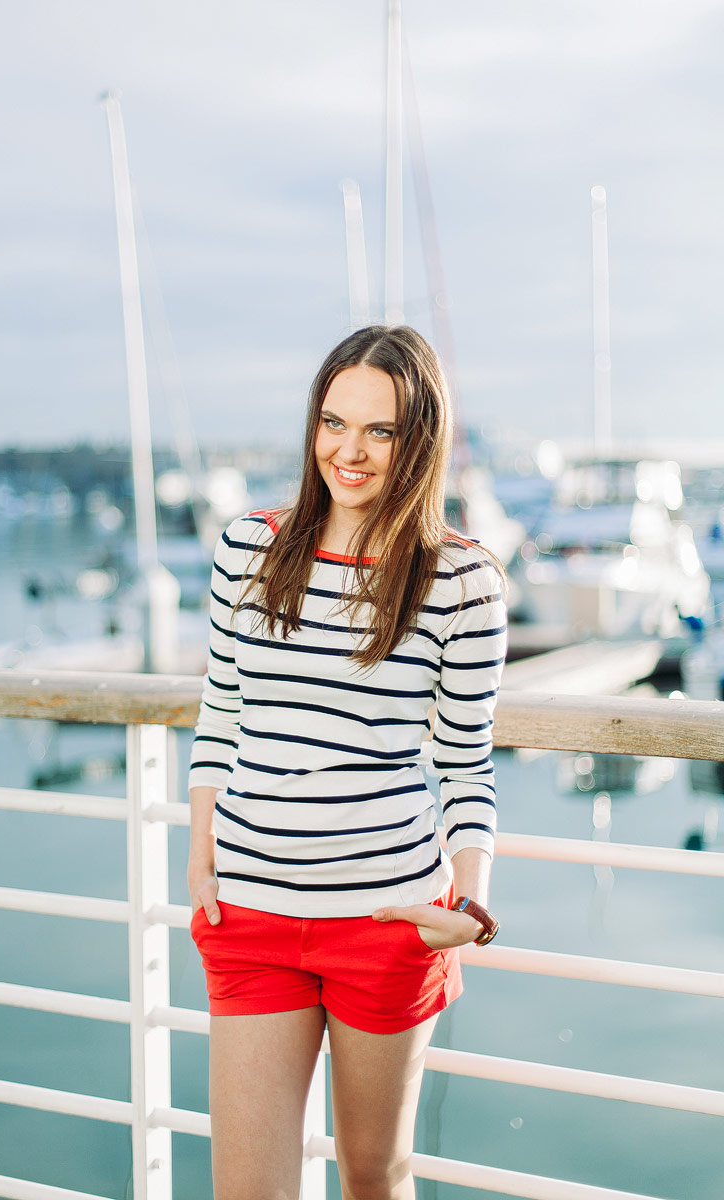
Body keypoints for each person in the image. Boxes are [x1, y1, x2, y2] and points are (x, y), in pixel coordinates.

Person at [187, 325, 507, 1200]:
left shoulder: (460, 581)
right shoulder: (248, 549)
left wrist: (470, 905)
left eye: (382, 431)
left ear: (420, 442)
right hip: (252, 917)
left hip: (387, 920)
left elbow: (467, 764)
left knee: (373, 1177)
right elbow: (221, 714)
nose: (350, 451)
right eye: (334, 423)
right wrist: (201, 856)